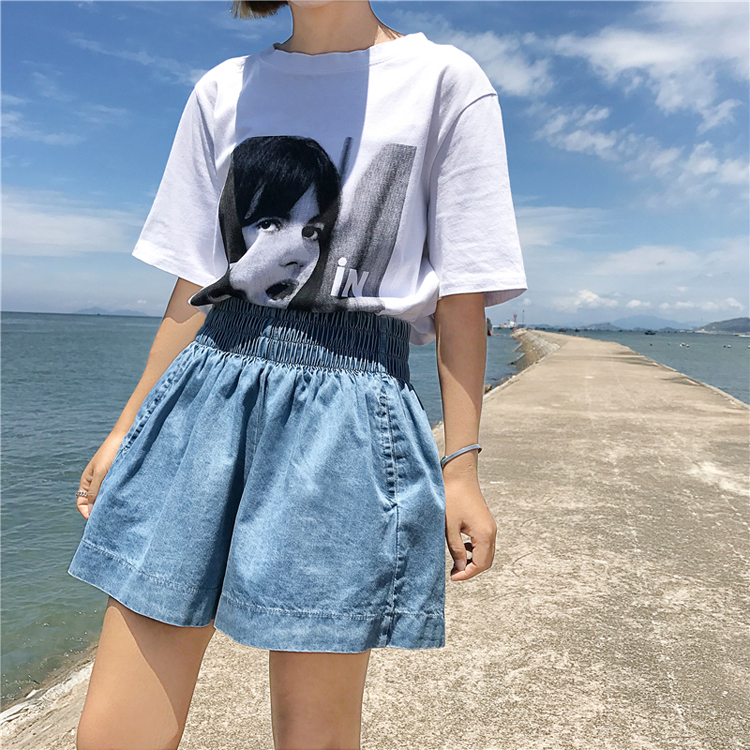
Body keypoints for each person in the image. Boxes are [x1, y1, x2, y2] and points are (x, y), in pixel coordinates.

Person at [67, 1, 527, 748]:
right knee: (115, 726)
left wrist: (461, 466)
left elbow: (462, 296)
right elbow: (195, 286)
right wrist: (128, 427)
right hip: (206, 388)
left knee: (315, 729)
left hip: (349, 413)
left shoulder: (445, 80)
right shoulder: (224, 88)